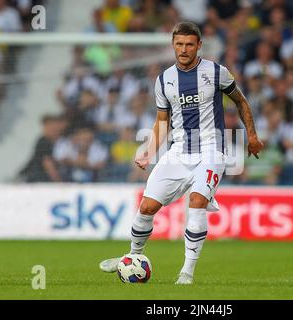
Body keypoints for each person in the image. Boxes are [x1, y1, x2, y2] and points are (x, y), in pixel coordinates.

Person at [99, 22, 263, 284]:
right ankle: (131, 258)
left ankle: (186, 273)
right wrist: (148, 151)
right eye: (179, 44)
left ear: (199, 45)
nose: (184, 49)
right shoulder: (164, 80)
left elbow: (241, 101)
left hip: (212, 150)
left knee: (197, 202)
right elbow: (162, 121)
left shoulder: (217, 72)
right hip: (179, 152)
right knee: (146, 207)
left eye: (189, 44)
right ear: (172, 45)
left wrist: (252, 136)